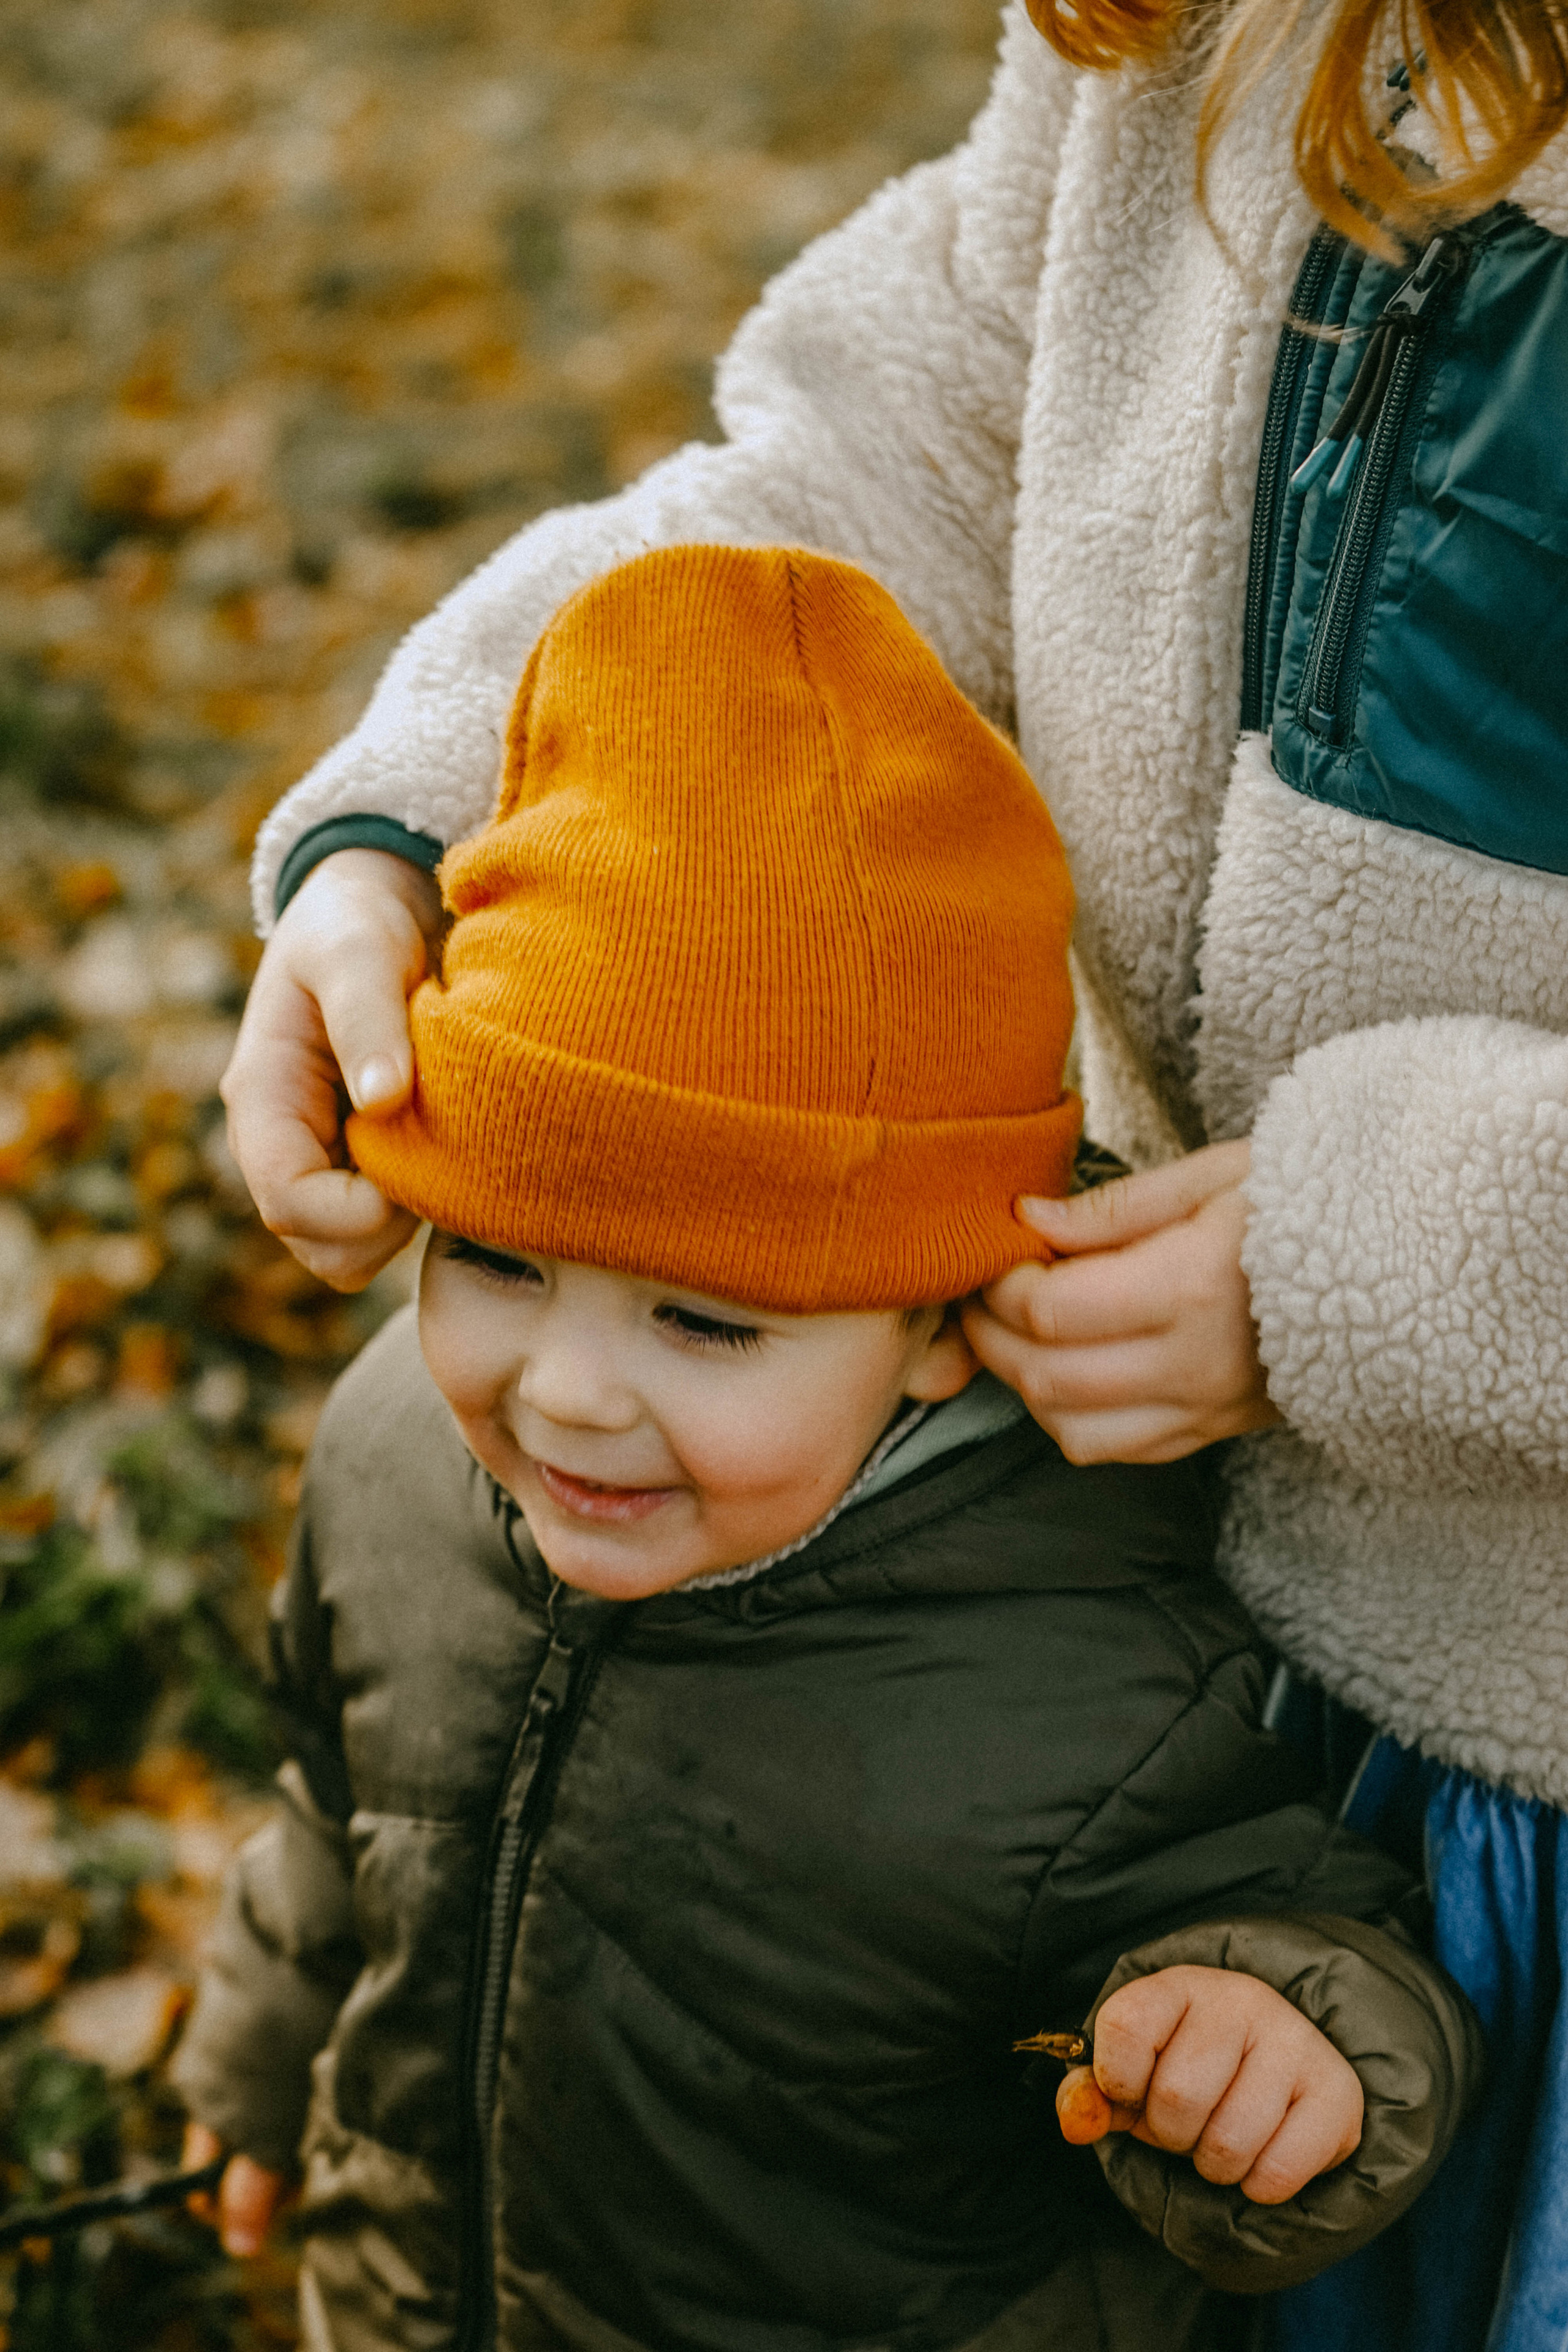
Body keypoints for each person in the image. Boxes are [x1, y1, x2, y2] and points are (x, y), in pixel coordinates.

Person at [216, 5, 1568, 2344]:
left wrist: (1398, 1251)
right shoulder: (1210, 33)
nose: (567, 1396)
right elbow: (885, 465)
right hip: (1191, 1530)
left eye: (696, 1316)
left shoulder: (1083, 1733)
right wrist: (447, 821)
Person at [177, 546, 1477, 2352]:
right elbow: (341, 1818)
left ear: (944, 1318)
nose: (561, 1391)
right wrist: (255, 2063)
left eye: (704, 1321)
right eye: (491, 1258)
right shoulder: (396, 1451)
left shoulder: (1083, 1653)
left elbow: (1308, 1945)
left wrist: (1277, 2049)